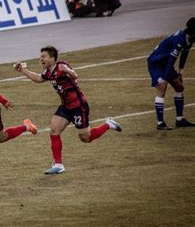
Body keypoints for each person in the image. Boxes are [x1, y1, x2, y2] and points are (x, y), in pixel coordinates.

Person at [14, 46, 122, 174]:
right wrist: (23, 70)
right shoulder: (48, 72)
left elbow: (75, 75)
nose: (41, 59)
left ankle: (108, 124)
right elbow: (38, 78)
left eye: (44, 57)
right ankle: (58, 165)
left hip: (78, 105)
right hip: (65, 106)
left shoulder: (61, 66)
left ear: (52, 58)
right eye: (40, 57)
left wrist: (68, 71)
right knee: (54, 131)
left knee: (85, 138)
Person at [147, 17, 195, 130]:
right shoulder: (179, 39)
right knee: (161, 89)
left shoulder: (189, 39)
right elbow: (172, 60)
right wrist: (164, 78)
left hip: (165, 63)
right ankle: (160, 123)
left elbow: (185, 53)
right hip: (156, 63)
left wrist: (180, 72)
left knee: (179, 87)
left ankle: (179, 120)